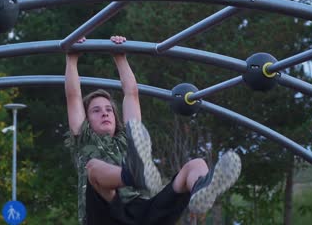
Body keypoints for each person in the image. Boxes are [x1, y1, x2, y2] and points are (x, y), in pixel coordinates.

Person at [64, 35, 242, 225]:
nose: (105, 113)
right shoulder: (84, 138)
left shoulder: (127, 138)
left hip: (145, 212)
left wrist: (120, 58)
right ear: (87, 120)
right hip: (106, 213)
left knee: (196, 165)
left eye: (109, 110)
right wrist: (72, 59)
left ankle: (201, 189)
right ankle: (131, 174)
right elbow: (74, 97)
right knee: (93, 168)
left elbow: (131, 94)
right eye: (96, 111)